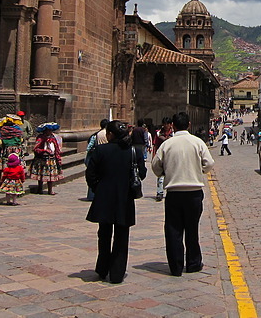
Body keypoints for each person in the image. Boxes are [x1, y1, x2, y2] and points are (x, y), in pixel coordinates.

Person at [151, 112, 215, 277]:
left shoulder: (167, 144)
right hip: (193, 192)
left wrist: (166, 172)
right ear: (189, 124)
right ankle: (193, 263)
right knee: (192, 230)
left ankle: (176, 266)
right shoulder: (197, 142)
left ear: (173, 125)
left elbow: (156, 166)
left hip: (174, 193)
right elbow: (209, 163)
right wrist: (198, 171)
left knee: (173, 230)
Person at [86, 121, 147, 284]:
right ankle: (117, 272)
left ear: (110, 135)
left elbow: (90, 174)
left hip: (105, 198)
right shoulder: (134, 151)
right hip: (125, 198)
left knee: (104, 234)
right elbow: (142, 173)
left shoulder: (100, 150)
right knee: (122, 237)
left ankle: (102, 267)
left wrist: (99, 188)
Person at [29, 123, 63, 195]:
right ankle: (40, 188)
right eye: (48, 130)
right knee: (41, 174)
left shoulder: (53, 138)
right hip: (42, 158)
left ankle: (50, 190)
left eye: (51, 130)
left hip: (51, 158)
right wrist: (44, 151)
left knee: (51, 176)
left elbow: (56, 147)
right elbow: (36, 148)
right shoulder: (40, 138)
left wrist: (57, 156)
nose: (50, 132)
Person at [85, 119, 110, 201]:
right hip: (105, 157)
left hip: (97, 156)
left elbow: (89, 147)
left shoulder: (96, 135)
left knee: (94, 176)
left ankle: (91, 195)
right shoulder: (108, 134)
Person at [153, 117, 173, 202]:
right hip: (161, 156)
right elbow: (155, 145)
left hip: (171, 156)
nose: (166, 126)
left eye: (167, 124)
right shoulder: (158, 134)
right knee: (160, 175)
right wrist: (154, 156)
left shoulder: (173, 134)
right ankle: (159, 192)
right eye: (164, 124)